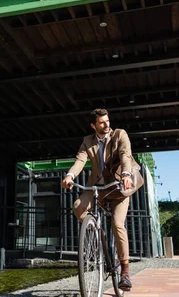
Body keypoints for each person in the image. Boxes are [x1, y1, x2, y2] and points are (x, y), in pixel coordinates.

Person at [61, 108, 134, 291]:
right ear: (93, 125)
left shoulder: (119, 135)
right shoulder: (87, 141)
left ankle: (125, 270)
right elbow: (80, 161)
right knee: (78, 206)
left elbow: (125, 154)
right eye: (102, 122)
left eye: (107, 121)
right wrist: (70, 176)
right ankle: (95, 231)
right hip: (98, 187)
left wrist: (126, 174)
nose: (106, 124)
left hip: (118, 186)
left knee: (117, 223)